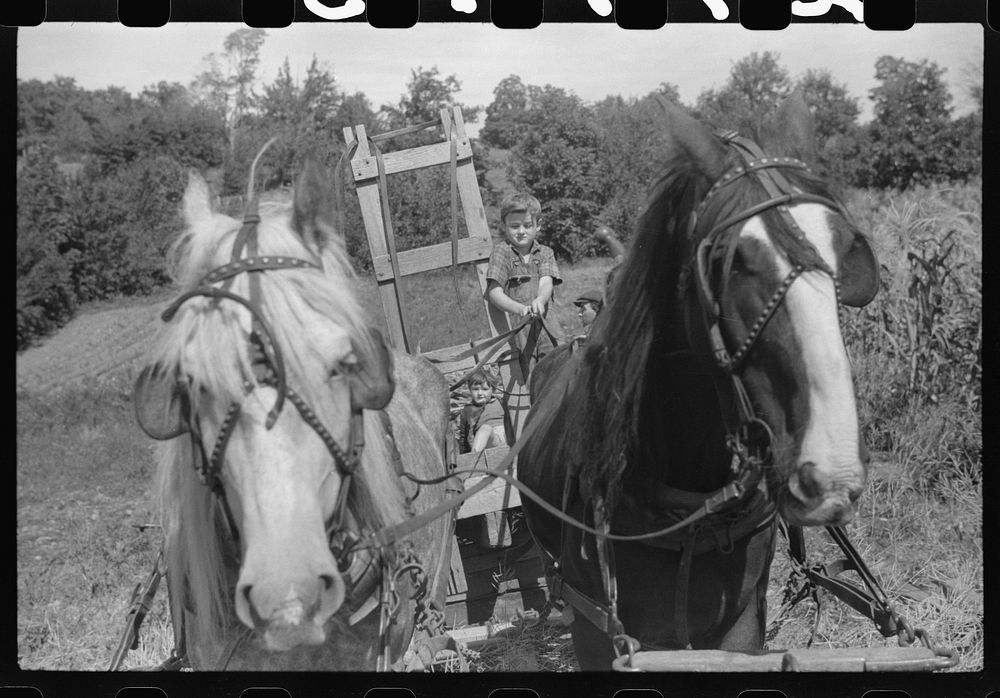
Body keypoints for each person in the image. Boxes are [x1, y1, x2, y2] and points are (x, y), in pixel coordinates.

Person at [485, 192, 562, 363]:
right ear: (504, 226)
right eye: (514, 226)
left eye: (527, 225)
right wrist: (520, 309)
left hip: (547, 326)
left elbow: (546, 282)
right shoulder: (501, 253)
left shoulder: (545, 253)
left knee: (556, 368)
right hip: (518, 330)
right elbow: (494, 293)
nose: (521, 231)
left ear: (538, 225)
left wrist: (540, 301)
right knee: (526, 379)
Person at [456, 368, 507, 455]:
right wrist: (463, 457)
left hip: (503, 437)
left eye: (485, 389)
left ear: (493, 390)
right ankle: (473, 460)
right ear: (470, 390)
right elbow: (463, 438)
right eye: (475, 389)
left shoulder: (500, 402)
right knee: (484, 429)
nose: (480, 393)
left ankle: (473, 461)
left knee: (485, 429)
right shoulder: (467, 410)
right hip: (482, 442)